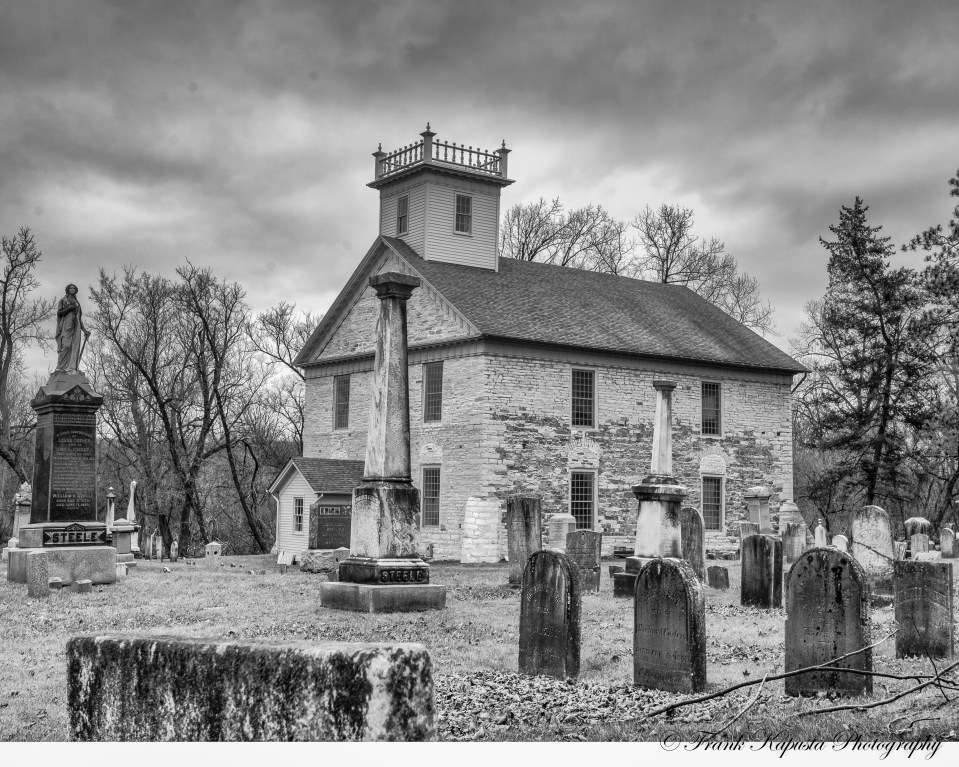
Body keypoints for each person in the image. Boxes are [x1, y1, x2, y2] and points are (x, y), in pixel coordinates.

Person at [55, 283, 90, 373]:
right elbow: (59, 313)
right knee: (66, 345)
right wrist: (69, 308)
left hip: (76, 326)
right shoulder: (63, 300)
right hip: (66, 325)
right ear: (67, 290)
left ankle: (72, 368)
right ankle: (60, 367)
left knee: (75, 346)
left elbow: (79, 318)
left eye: (74, 288)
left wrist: (84, 330)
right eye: (70, 288)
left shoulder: (77, 303)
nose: (72, 289)